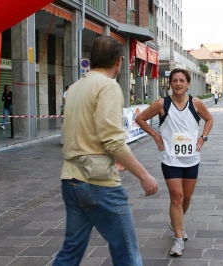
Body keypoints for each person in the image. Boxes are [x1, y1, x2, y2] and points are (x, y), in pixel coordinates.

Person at [54, 36, 158, 266]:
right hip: (98, 183)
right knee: (128, 254)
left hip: (71, 179)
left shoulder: (75, 88)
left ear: (91, 60)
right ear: (119, 61)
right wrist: (144, 175)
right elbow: (113, 141)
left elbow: (85, 132)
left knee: (70, 253)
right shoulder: (108, 86)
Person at [135, 68, 213, 257]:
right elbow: (140, 118)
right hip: (170, 158)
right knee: (176, 197)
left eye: (181, 80)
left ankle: (175, 222)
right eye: (174, 80)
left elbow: (209, 119)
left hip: (191, 158)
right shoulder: (163, 103)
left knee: (186, 198)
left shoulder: (196, 103)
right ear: (170, 83)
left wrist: (203, 138)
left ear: (187, 84)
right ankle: (179, 237)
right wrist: (155, 135)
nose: (178, 83)